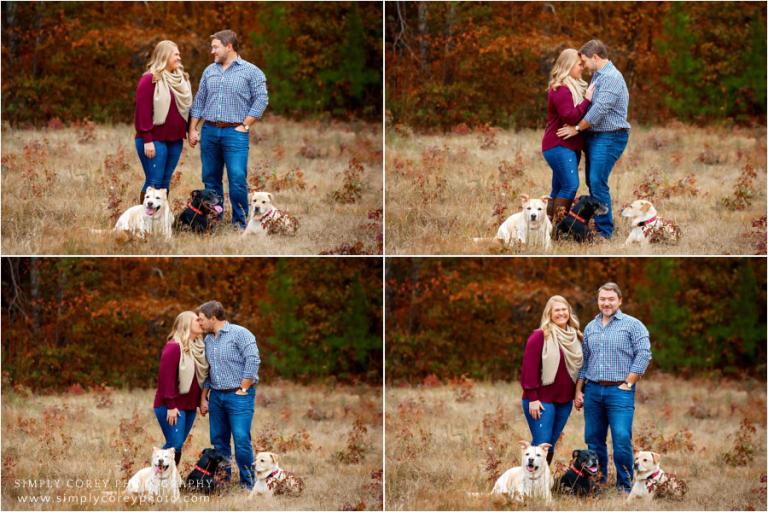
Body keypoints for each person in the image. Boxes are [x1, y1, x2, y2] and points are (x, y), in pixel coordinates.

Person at [574, 282, 652, 493]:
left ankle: (625, 486)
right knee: (594, 439)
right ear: (598, 301)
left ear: (619, 301)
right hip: (592, 392)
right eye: (602, 299)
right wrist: (578, 391)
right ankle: (598, 482)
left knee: (621, 438)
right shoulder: (590, 327)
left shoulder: (632, 325)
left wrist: (629, 382)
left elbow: (644, 353)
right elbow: (584, 362)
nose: (606, 303)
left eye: (610, 299)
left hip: (620, 391)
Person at [188, 30, 269, 230]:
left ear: (229, 47)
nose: (212, 51)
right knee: (210, 178)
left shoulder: (252, 71)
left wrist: (246, 124)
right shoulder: (209, 71)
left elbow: (262, 99)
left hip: (235, 133)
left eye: (215, 47)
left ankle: (240, 224)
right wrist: (192, 129)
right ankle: (213, 221)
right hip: (210, 132)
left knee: (237, 178)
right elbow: (199, 101)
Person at [557, 40, 631, 240]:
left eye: (584, 61)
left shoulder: (612, 78)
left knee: (597, 182)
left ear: (595, 57)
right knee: (593, 181)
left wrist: (577, 128)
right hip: (596, 136)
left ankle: (604, 232)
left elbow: (599, 110)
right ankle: (594, 224)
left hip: (609, 136)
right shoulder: (599, 76)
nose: (583, 66)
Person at [197, 300, 260, 490]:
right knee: (218, 440)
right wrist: (203, 397)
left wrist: (243, 388)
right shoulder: (208, 340)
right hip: (216, 396)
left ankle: (248, 484)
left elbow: (253, 359)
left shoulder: (240, 333)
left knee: (241, 439)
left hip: (239, 396)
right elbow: (209, 371)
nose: (199, 323)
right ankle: (223, 481)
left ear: (213, 318)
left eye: (201, 319)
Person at [520, 295, 583, 465]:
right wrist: (533, 398)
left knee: (549, 445)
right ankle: (529, 484)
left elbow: (581, 370)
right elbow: (528, 369)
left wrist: (579, 392)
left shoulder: (576, 337)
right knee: (541, 442)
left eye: (564, 310)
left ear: (569, 312)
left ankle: (542, 483)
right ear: (549, 313)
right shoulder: (540, 336)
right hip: (541, 401)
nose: (561, 313)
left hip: (564, 401)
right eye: (557, 310)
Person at [134, 40, 192, 204]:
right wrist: (147, 139)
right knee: (155, 182)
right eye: (176, 54)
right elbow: (142, 112)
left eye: (179, 54)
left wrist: (191, 130)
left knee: (165, 183)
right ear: (164, 56)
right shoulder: (150, 79)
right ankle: (143, 220)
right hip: (153, 140)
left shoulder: (182, 80)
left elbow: (186, 109)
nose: (179, 57)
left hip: (175, 140)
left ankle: (160, 221)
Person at [542, 49, 594, 221]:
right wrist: (587, 100)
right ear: (569, 65)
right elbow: (570, 116)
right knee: (571, 186)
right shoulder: (561, 89)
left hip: (568, 147)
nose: (582, 68)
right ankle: (558, 227)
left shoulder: (573, 87)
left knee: (558, 189)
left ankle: (547, 227)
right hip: (558, 146)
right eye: (579, 65)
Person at [153, 311, 209, 465]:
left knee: (176, 447)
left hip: (189, 406)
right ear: (186, 324)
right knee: (174, 444)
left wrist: (202, 400)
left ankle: (169, 480)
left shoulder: (199, 347)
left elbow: (201, 379)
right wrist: (171, 406)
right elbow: (166, 380)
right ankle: (152, 478)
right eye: (197, 320)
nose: (200, 322)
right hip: (171, 406)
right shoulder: (173, 347)